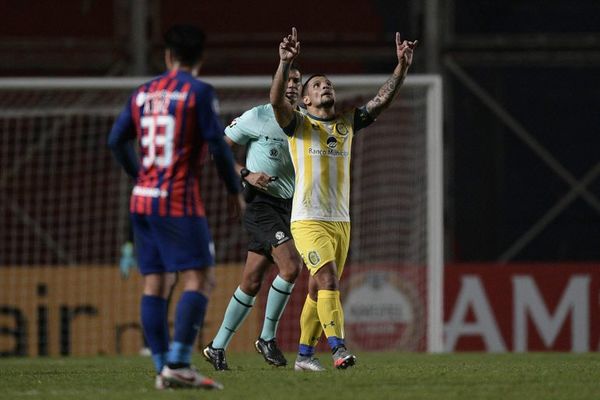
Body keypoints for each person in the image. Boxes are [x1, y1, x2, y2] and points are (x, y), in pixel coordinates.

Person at [270, 27, 417, 370]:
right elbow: (277, 101)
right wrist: (283, 63)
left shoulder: (347, 124)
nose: (325, 87)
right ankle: (338, 348)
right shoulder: (298, 125)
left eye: (328, 84)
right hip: (308, 219)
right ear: (305, 100)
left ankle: (304, 356)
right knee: (328, 280)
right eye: (317, 85)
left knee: (316, 290)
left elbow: (381, 100)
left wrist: (402, 68)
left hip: (341, 222)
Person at [108, 24, 244, 390]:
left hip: (143, 200)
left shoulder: (141, 93)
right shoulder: (198, 92)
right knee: (200, 278)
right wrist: (234, 190)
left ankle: (162, 367)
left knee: (156, 283)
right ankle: (180, 364)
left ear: (168, 55)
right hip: (177, 199)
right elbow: (216, 145)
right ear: (201, 58)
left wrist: (139, 176)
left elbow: (116, 140)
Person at [202, 64, 309, 370]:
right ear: (276, 83)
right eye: (286, 79)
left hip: (288, 206)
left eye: (297, 81)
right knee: (290, 266)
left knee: (250, 280)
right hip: (260, 205)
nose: (292, 85)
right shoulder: (257, 116)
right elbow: (218, 150)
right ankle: (267, 337)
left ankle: (216, 346)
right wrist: (245, 174)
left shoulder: (304, 122)